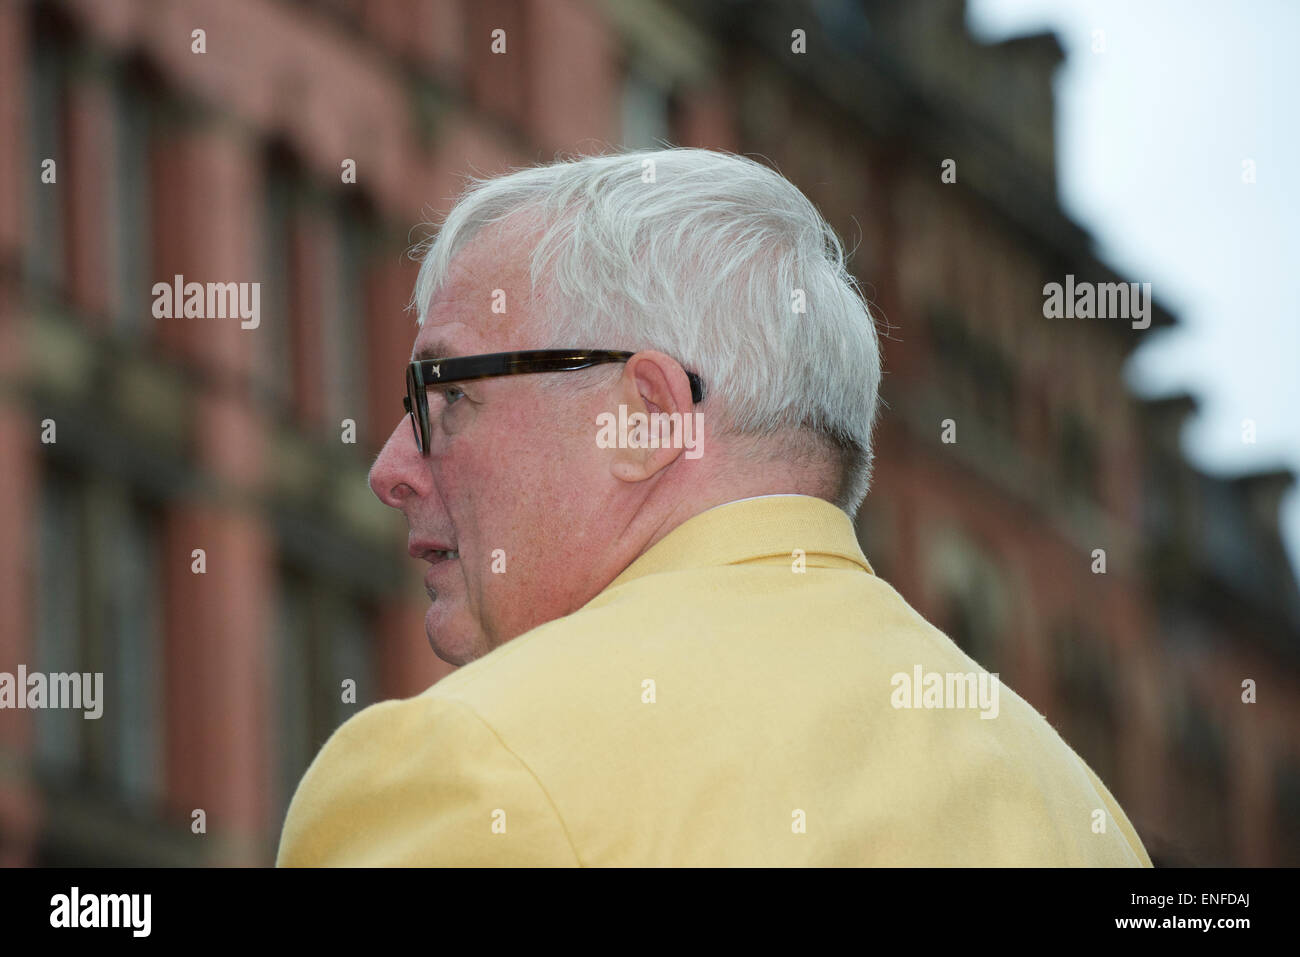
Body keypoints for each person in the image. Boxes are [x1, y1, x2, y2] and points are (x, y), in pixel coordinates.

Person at [276, 148, 1151, 866]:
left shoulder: (473, 766)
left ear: (646, 417)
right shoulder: (1078, 806)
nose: (392, 468)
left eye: (444, 394)